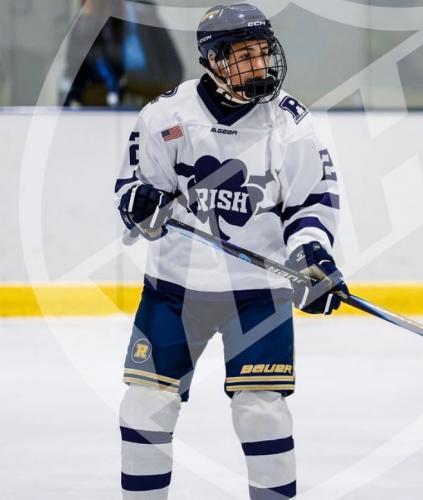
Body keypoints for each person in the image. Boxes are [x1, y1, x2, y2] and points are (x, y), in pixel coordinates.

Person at [115, 4, 349, 499]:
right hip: (174, 292)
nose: (260, 65)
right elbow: (133, 192)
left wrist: (312, 256)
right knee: (144, 408)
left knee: (261, 411)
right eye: (245, 56)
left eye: (263, 53)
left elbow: (311, 202)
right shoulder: (165, 116)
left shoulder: (290, 121)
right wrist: (141, 204)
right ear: (214, 60)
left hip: (257, 294)